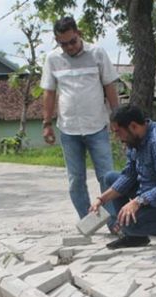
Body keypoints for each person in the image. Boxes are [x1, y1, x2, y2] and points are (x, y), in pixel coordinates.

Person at [40, 16, 119, 229]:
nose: (68, 47)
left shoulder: (97, 54)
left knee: (107, 176)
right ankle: (89, 221)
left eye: (72, 41)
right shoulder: (52, 59)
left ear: (79, 34)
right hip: (68, 129)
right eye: (62, 44)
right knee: (75, 180)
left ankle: (114, 223)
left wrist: (117, 118)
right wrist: (46, 123)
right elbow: (49, 92)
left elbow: (110, 87)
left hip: (97, 127)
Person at [89, 105, 156, 252]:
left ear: (133, 126)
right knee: (111, 178)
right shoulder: (135, 140)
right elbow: (129, 175)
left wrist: (138, 201)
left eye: (118, 132)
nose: (117, 138)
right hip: (148, 194)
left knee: (128, 225)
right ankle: (136, 237)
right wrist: (102, 199)